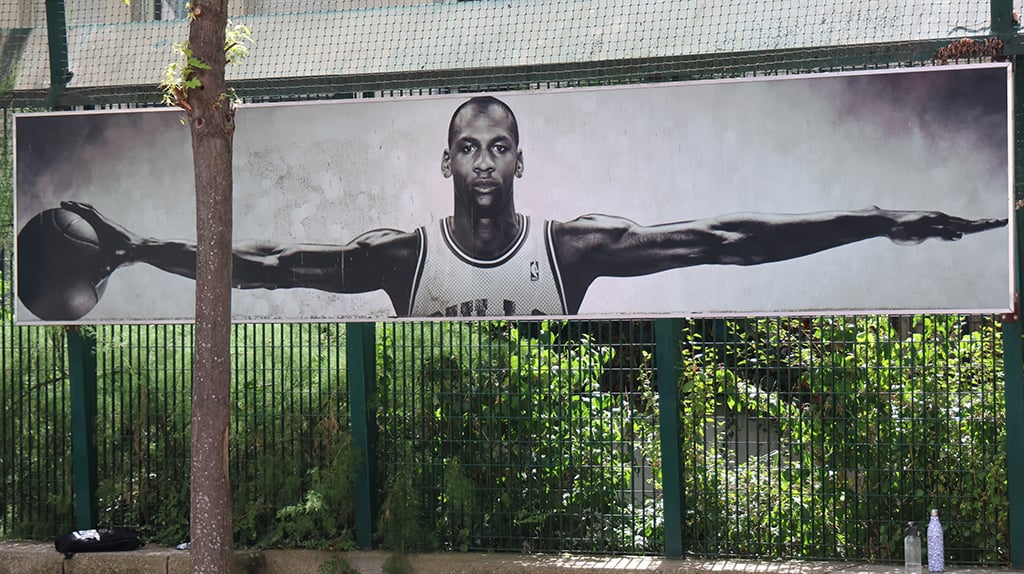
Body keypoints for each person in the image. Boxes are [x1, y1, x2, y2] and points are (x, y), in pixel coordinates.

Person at [59, 95, 1007, 318]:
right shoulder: (402, 257)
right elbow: (267, 265)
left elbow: (729, 242)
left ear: (519, 158)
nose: (482, 162)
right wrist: (140, 248)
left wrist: (881, 218)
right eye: (466, 148)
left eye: (497, 147)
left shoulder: (574, 248)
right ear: (446, 163)